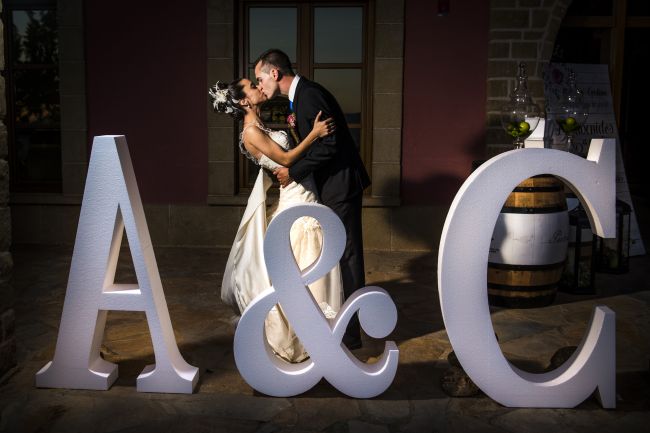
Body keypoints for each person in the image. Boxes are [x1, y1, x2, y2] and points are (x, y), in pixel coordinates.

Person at [209, 79, 343, 363]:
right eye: (251, 86)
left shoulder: (261, 125)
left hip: (302, 190)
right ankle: (306, 333)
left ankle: (316, 331)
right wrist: (315, 134)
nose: (258, 87)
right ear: (244, 101)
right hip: (295, 198)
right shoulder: (250, 132)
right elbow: (286, 158)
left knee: (308, 263)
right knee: (306, 261)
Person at [254, 49, 371, 350]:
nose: (260, 86)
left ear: (275, 73)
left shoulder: (309, 95)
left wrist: (293, 172)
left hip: (340, 186)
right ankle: (340, 323)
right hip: (329, 187)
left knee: (347, 256)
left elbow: (330, 145)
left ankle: (351, 334)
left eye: (260, 79)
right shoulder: (299, 98)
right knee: (338, 255)